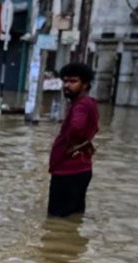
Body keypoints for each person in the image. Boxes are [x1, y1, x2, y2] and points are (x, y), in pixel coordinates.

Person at [49, 62, 99, 218]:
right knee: (73, 219)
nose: (67, 85)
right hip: (80, 169)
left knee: (56, 220)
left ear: (85, 84)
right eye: (65, 81)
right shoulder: (87, 103)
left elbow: (77, 128)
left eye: (73, 81)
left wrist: (70, 145)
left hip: (68, 171)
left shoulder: (81, 105)